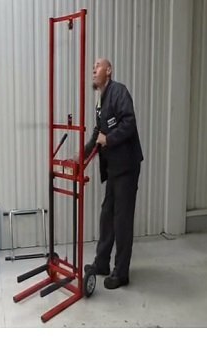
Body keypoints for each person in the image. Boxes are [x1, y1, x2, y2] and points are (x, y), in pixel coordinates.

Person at [83, 58, 143, 289]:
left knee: (122, 220)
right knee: (107, 215)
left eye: (97, 66)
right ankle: (102, 263)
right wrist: (82, 155)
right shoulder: (101, 99)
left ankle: (121, 273)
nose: (93, 69)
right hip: (114, 169)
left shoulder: (119, 92)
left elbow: (129, 123)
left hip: (126, 167)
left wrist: (108, 139)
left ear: (108, 70)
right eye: (93, 67)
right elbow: (98, 132)